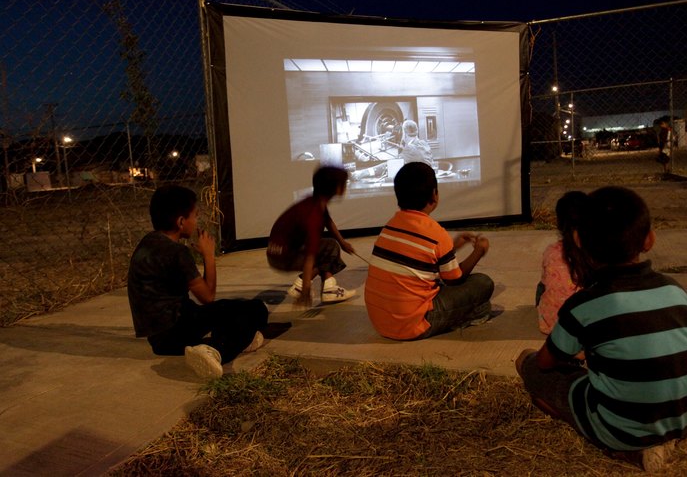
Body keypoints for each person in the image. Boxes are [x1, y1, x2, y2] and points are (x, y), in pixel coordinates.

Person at [515, 186, 687, 472]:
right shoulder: (675, 291)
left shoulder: (584, 305)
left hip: (621, 429)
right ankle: (661, 439)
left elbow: (545, 361)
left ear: (577, 240)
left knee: (528, 364)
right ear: (649, 239)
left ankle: (629, 451)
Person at [127, 185, 271, 380]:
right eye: (194, 216)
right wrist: (209, 256)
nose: (196, 222)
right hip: (180, 330)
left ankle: (237, 337)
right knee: (255, 309)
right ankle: (215, 350)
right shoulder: (177, 252)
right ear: (180, 221)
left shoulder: (146, 243)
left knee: (233, 310)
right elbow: (208, 297)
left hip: (158, 340)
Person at [364, 161, 494, 340]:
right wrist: (479, 251)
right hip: (413, 324)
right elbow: (454, 280)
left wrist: (453, 247)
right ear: (434, 195)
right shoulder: (435, 233)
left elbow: (421, 258)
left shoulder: (390, 226)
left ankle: (473, 311)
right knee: (483, 283)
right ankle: (471, 314)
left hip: (380, 322)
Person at [267, 166, 356, 306]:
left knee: (331, 245)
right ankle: (305, 286)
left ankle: (328, 288)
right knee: (328, 252)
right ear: (335, 187)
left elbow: (328, 220)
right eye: (344, 183)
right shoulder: (313, 215)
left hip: (279, 252)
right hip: (283, 257)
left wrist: (343, 243)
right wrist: (306, 289)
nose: (346, 187)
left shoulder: (315, 201)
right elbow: (310, 257)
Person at [536, 190, 591, 335]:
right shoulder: (600, 249)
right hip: (591, 325)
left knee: (541, 286)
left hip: (553, 325)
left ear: (559, 223)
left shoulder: (551, 251)